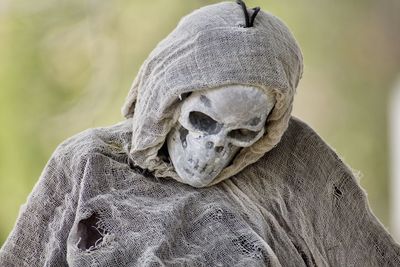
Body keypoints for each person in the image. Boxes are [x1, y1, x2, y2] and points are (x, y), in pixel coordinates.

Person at [1, 1, 399, 266]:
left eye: (242, 132)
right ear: (170, 102)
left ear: (266, 130)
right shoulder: (88, 161)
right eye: (203, 121)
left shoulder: (295, 164)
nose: (215, 147)